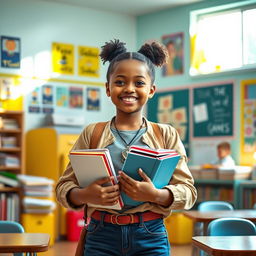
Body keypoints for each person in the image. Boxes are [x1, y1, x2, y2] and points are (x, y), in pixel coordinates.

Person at [55, 39, 197, 256]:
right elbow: (63, 187)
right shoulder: (92, 133)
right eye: (120, 82)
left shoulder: (166, 134)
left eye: (139, 83)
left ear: (151, 90)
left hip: (150, 234)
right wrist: (85, 195)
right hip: (100, 234)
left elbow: (188, 192)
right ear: (108, 89)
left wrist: (157, 195)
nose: (129, 89)